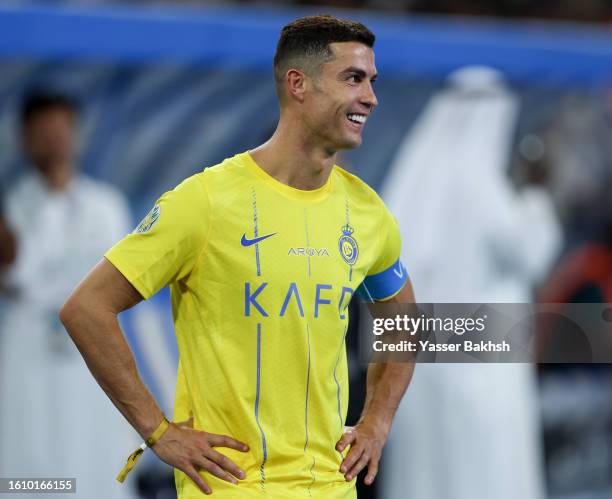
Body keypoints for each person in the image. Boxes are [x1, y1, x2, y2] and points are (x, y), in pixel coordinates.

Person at [59, 14, 416, 499]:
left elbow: (405, 321)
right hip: (230, 487)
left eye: (372, 81)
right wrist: (158, 431)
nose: (371, 97)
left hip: (331, 487)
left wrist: (376, 422)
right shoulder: (205, 202)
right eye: (353, 79)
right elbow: (86, 309)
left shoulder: (369, 213)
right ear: (298, 85)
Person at [0, 91, 137, 499]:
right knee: (29, 452)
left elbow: (123, 281)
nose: (55, 139)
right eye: (43, 131)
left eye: (62, 129)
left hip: (92, 351)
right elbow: (13, 275)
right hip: (29, 353)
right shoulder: (12, 206)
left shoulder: (106, 205)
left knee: (95, 448)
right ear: (25, 138)